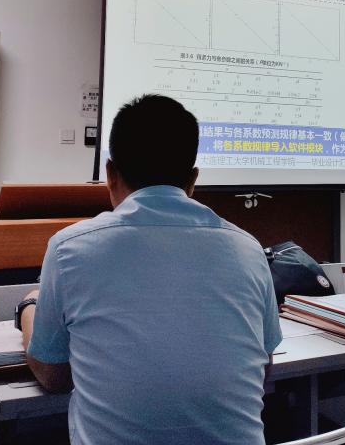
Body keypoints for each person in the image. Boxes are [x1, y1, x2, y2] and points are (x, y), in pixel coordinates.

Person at [17, 94, 282, 445]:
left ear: (110, 174)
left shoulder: (70, 248)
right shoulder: (248, 249)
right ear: (193, 179)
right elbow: (263, 368)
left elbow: (53, 376)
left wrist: (29, 307)